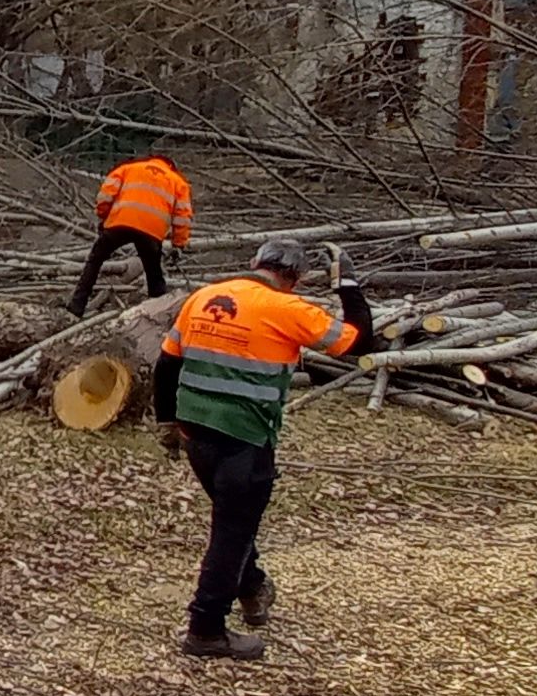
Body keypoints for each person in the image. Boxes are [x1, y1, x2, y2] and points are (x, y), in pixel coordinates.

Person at [153, 235, 376, 661]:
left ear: (255, 262)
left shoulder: (206, 296)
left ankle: (253, 588)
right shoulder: (288, 309)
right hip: (246, 438)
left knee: (233, 519)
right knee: (232, 533)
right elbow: (358, 342)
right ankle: (206, 629)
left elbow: (167, 365)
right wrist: (348, 284)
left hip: (197, 432)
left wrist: (167, 421)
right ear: (298, 277)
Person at [70, 155, 192, 316]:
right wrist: (178, 245)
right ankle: (160, 311)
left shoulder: (128, 169)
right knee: (154, 273)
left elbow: (106, 195)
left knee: (95, 261)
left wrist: (104, 217)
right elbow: (182, 217)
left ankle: (76, 306)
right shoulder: (178, 183)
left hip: (120, 222)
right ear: (171, 166)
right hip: (151, 232)